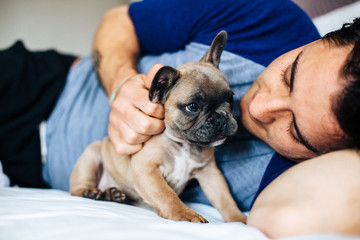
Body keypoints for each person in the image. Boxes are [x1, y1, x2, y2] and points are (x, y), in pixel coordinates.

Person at [0, 0, 359, 238]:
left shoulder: (303, 175)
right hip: (42, 86)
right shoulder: (265, 17)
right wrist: (121, 83)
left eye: (295, 129)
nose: (260, 108)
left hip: (36, 169)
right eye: (288, 75)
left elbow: (286, 220)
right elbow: (119, 20)